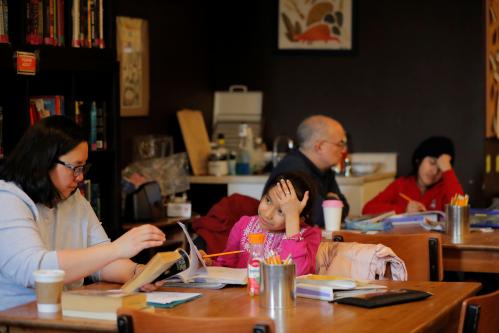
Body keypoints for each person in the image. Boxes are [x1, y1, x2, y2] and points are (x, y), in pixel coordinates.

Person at [0, 116, 166, 311]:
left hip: (66, 313)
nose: (80, 177)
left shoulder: (73, 199)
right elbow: (35, 270)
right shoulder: (8, 199)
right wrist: (117, 248)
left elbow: (101, 263)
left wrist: (137, 272)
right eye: (75, 167)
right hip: (18, 318)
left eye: (83, 167)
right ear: (44, 161)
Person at [202, 171, 322, 276]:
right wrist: (210, 264)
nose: (268, 214)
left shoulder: (309, 235)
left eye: (282, 211)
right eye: (268, 200)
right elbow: (226, 266)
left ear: (300, 219)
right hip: (240, 298)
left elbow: (297, 273)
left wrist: (291, 218)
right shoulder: (243, 225)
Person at [266, 115, 350, 228]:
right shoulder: (293, 170)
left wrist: (331, 204)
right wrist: (332, 200)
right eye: (340, 144)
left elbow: (343, 210)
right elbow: (319, 217)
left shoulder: (325, 170)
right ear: (319, 146)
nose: (344, 150)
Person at [362, 136, 464, 214]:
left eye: (441, 168)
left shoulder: (445, 188)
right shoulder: (401, 185)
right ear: (419, 160)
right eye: (432, 163)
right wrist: (405, 209)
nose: (434, 171)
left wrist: (447, 170)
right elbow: (367, 209)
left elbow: (461, 211)